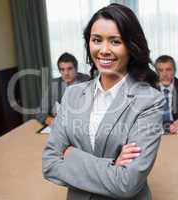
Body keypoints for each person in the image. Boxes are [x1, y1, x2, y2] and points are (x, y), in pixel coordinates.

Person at [42, 3, 165, 200]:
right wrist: (113, 164)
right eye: (96, 40)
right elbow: (49, 164)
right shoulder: (72, 94)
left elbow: (127, 183)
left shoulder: (150, 100)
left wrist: (70, 154)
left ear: (131, 46)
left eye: (115, 41)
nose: (104, 50)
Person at [36, 52, 89, 125]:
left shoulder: (87, 80)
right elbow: (40, 113)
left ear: (76, 69)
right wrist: (53, 122)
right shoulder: (55, 84)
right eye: (62, 69)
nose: (66, 73)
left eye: (69, 69)